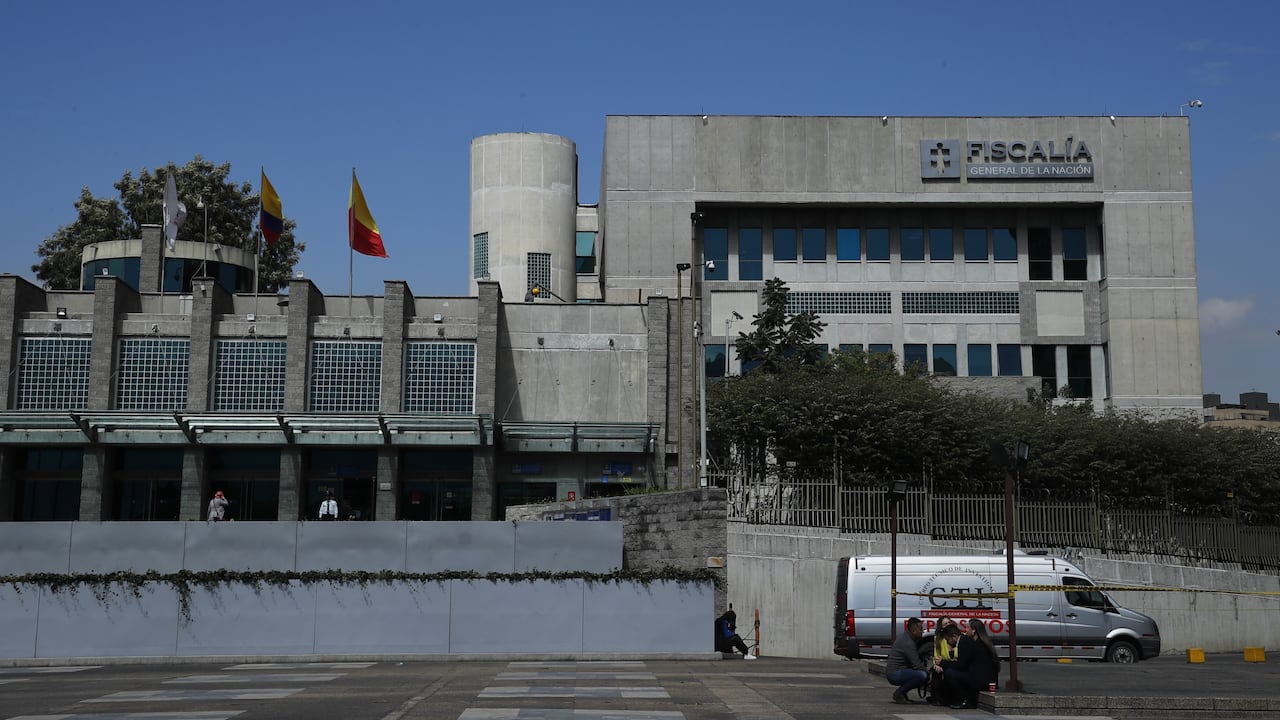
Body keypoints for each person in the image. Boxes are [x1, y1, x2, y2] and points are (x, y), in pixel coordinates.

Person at [941, 618, 1000, 709]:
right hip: (984, 677)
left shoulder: (974, 645)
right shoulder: (982, 643)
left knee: (950, 673)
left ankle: (964, 700)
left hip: (980, 679)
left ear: (974, 630)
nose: (965, 630)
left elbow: (961, 665)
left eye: (967, 628)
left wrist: (943, 663)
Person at [885, 617, 929, 704]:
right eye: (921, 629)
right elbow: (916, 664)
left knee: (920, 674)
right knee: (922, 675)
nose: (922, 632)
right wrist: (928, 674)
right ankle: (899, 693)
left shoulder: (906, 637)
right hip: (895, 673)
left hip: (897, 671)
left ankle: (903, 694)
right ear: (913, 631)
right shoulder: (908, 642)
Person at [928, 622, 962, 705]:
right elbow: (937, 657)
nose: (947, 625)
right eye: (945, 624)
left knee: (949, 672)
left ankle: (948, 698)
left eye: (949, 623)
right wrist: (937, 665)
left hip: (952, 665)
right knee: (935, 671)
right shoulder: (940, 640)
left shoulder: (958, 640)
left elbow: (959, 660)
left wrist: (944, 664)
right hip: (942, 664)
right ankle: (937, 699)